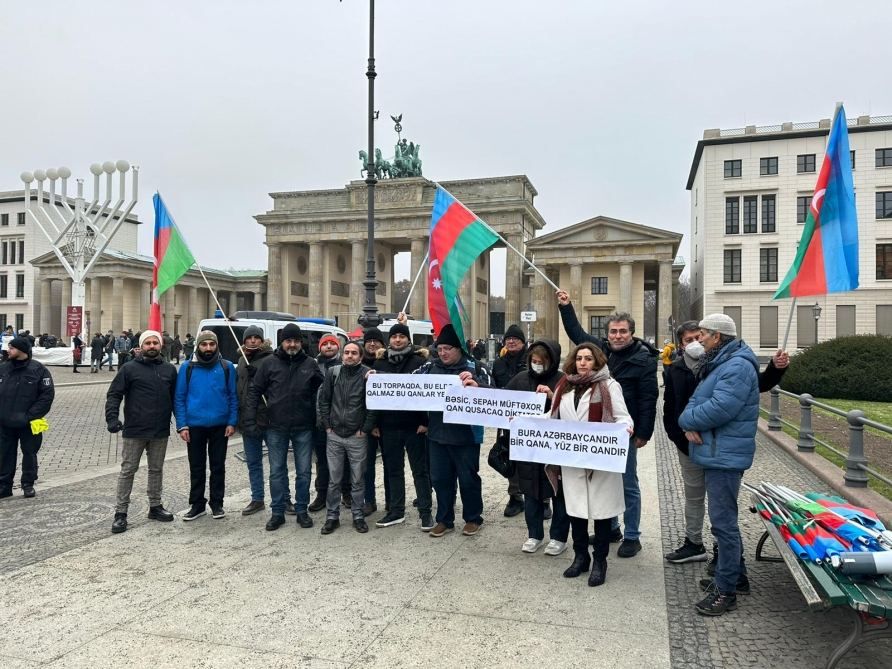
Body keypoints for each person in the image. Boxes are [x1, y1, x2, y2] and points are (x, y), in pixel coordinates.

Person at [663, 321, 790, 568]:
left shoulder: (721, 363)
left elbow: (754, 385)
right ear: (681, 344)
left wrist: (775, 369)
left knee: (720, 505)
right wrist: (680, 435)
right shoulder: (676, 369)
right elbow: (671, 407)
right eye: (689, 340)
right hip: (686, 443)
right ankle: (694, 542)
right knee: (694, 497)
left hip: (716, 444)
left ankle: (725, 557)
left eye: (698, 337)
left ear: (714, 337)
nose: (695, 343)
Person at [556, 291, 658, 558]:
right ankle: (611, 527)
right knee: (605, 482)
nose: (617, 336)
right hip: (596, 432)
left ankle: (632, 535)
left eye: (623, 331)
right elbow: (577, 334)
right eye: (613, 331)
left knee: (627, 483)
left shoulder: (644, 359)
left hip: (624, 432)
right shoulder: (600, 351)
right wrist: (565, 307)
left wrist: (643, 432)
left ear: (631, 333)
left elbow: (649, 398)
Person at [679, 314, 760, 616]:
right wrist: (690, 415)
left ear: (718, 337)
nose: (698, 340)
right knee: (725, 521)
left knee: (723, 523)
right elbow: (697, 398)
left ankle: (726, 590)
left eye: (703, 335)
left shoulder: (736, 366)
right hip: (718, 451)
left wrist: (686, 421)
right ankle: (735, 576)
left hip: (724, 455)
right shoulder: (723, 363)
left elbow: (719, 407)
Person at [549, 342, 633, 586]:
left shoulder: (608, 385)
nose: (582, 362)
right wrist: (524, 421)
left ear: (597, 361)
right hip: (573, 462)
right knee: (576, 513)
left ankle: (600, 561)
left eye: (587, 358)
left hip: (600, 464)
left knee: (602, 515)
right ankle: (580, 557)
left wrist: (625, 430)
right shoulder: (564, 386)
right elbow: (552, 418)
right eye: (579, 358)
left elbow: (623, 417)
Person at [244, 322, 323, 531]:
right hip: (275, 426)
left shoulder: (310, 364)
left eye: (296, 341)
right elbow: (254, 393)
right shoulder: (269, 364)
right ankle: (277, 512)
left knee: (304, 472)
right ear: (283, 342)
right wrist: (250, 420)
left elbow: (322, 392)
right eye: (289, 340)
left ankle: (302, 510)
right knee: (277, 471)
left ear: (301, 343)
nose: (292, 344)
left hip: (304, 426)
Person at [413, 324, 490, 537]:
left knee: (468, 478)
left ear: (459, 349)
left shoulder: (476, 367)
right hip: (437, 434)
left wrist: (477, 386)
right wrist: (375, 375)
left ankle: (473, 518)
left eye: (448, 348)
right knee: (440, 479)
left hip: (467, 436)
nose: (442, 352)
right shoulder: (429, 367)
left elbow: (494, 393)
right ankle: (444, 520)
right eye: (440, 348)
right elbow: (405, 384)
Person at [105, 330, 178, 533]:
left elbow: (176, 400)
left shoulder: (169, 370)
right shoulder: (129, 369)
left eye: (156, 342)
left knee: (156, 469)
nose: (152, 346)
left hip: (160, 430)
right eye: (148, 343)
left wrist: (182, 423)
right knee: (128, 470)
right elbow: (114, 395)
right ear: (141, 346)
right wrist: (112, 418)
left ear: (161, 345)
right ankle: (121, 513)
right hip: (135, 429)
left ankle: (155, 506)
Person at [501, 339, 565, 554]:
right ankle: (534, 534)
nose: (537, 365)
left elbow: (574, 412)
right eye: (534, 361)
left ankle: (559, 537)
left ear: (551, 361)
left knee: (559, 495)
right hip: (528, 449)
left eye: (541, 361)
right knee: (530, 492)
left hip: (555, 449)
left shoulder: (563, 381)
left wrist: (552, 396)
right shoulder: (520, 379)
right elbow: (500, 399)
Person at [372, 322, 433, 530]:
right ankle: (396, 511)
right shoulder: (379, 364)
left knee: (420, 471)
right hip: (388, 426)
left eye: (402, 336)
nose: (397, 340)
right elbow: (375, 399)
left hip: (414, 426)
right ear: (389, 340)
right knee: (393, 470)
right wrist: (375, 424)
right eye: (394, 336)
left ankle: (426, 512)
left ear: (408, 339)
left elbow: (428, 395)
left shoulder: (419, 362)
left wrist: (425, 422)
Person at [174, 331, 238, 521]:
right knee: (197, 466)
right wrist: (182, 425)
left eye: (211, 344)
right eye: (204, 345)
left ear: (216, 346)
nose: (208, 348)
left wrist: (232, 421)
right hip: (194, 426)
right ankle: (197, 504)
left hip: (220, 426)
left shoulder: (226, 367)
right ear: (198, 346)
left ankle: (217, 503)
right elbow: (179, 398)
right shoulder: (187, 368)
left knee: (218, 466)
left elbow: (233, 396)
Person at [317, 341, 377, 534]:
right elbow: (324, 400)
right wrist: (327, 426)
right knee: (334, 480)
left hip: (356, 436)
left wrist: (365, 428)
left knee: (357, 479)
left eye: (354, 353)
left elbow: (373, 405)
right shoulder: (333, 373)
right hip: (334, 434)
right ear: (342, 355)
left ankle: (358, 515)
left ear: (360, 356)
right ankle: (332, 516)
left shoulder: (368, 375)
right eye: (347, 353)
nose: (349, 356)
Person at [0, 336, 55, 499]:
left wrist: (30, 416)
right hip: (5, 422)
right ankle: (4, 485)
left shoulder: (39, 370)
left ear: (22, 350)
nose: (8, 351)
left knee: (30, 453)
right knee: (4, 454)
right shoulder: (3, 368)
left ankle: (28, 484)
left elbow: (47, 396)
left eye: (11, 348)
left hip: (30, 422)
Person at [236, 325, 274, 516]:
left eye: (256, 338)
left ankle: (282, 498)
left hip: (268, 420)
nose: (252, 340)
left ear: (261, 340)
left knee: (276, 463)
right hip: (247, 421)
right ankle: (257, 498)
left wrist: (258, 378)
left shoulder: (271, 359)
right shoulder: (242, 360)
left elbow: (276, 389)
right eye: (249, 338)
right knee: (253, 462)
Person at [492, 324, 529, 518]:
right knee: (511, 456)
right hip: (508, 419)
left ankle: (543, 499)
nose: (511, 341)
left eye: (516, 339)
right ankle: (515, 496)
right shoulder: (498, 364)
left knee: (535, 458)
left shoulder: (533, 360)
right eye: (508, 339)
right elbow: (493, 388)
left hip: (532, 420)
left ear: (523, 342)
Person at [310, 334, 350, 512]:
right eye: (324, 344)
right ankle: (322, 494)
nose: (328, 347)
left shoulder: (344, 365)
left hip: (340, 422)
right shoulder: (312, 365)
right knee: (322, 461)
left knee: (346, 460)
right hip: (318, 423)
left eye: (332, 344)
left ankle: (347, 493)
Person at [360, 327, 389, 516]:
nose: (372, 344)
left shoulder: (387, 363)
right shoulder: (357, 364)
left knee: (390, 465)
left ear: (382, 344)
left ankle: (391, 500)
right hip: (366, 425)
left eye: (376, 341)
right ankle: (369, 500)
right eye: (368, 341)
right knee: (367, 466)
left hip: (387, 422)